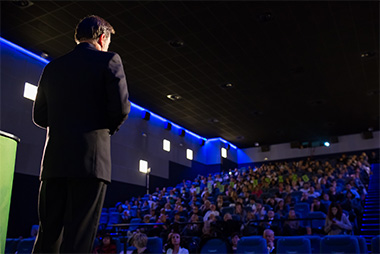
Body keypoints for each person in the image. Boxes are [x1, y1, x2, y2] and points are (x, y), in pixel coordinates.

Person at [32, 15, 130, 253]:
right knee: (79, 236)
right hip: (91, 163)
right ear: (102, 37)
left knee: (48, 234)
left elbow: (39, 117)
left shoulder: (52, 67)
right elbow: (121, 109)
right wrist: (102, 132)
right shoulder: (109, 60)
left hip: (54, 164)